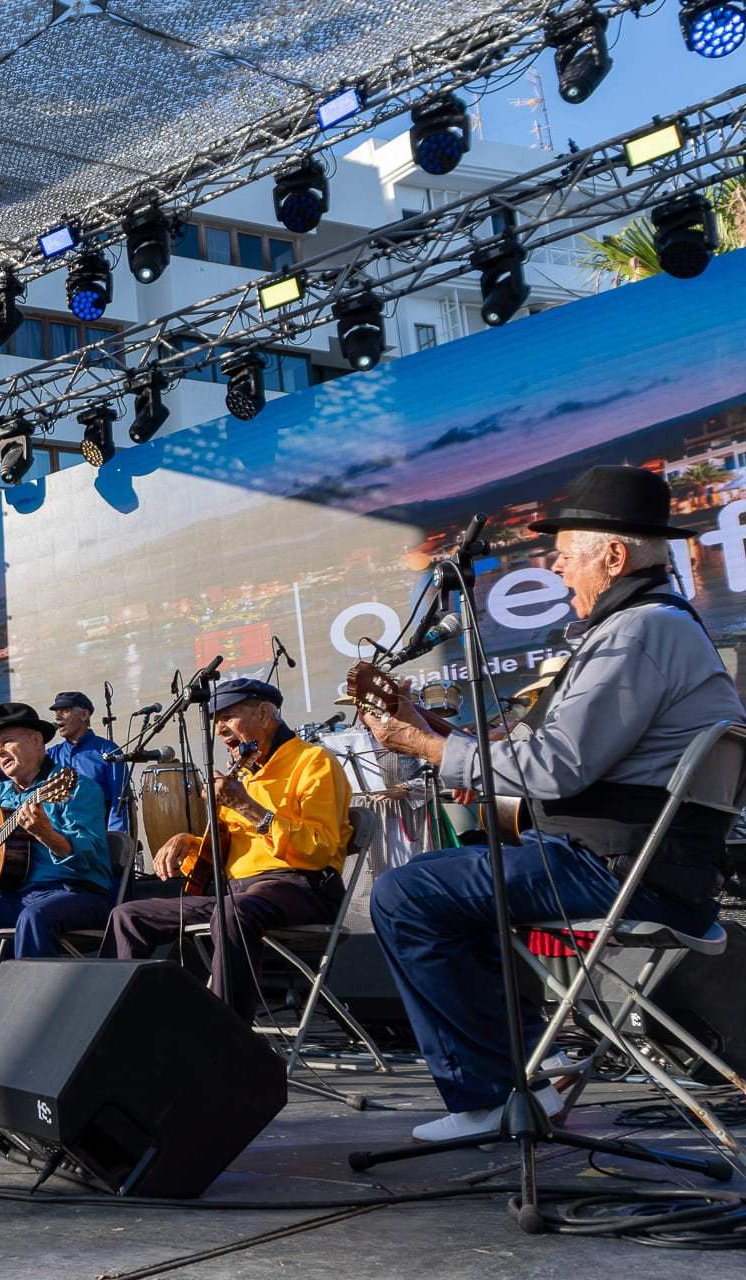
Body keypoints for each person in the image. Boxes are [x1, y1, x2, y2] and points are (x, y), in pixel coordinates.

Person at [365, 465, 745, 1142]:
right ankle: (541, 1060)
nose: (560, 574)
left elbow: (552, 766)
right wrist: (431, 729)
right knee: (457, 893)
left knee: (404, 895)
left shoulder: (640, 632)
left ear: (615, 556)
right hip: (636, 865)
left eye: (566, 558)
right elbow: (541, 754)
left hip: (620, 870)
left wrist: (424, 749)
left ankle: (488, 1097)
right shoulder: (650, 627)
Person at [105, 678, 350, 1021]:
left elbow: (319, 850)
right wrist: (188, 843)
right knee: (128, 917)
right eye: (215, 720)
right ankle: (123, 1026)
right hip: (237, 894)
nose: (219, 730)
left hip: (302, 887)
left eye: (228, 717)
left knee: (233, 912)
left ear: (264, 714)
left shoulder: (313, 762)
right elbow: (221, 853)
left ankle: (225, 1036)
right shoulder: (244, 773)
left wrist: (246, 805)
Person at [0, 703, 114, 1013]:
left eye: (8, 741)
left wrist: (47, 834)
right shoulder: (0, 794)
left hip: (74, 892)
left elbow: (91, 854)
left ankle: (31, 1011)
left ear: (36, 741)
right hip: (15, 896)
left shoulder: (76, 788)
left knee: (34, 916)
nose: (0, 751)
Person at [47, 691, 130, 831]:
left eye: (65, 711)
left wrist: (116, 841)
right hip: (58, 840)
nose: (57, 717)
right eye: (56, 712)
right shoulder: (51, 755)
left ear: (84, 715)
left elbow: (119, 801)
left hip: (97, 838)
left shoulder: (108, 751)